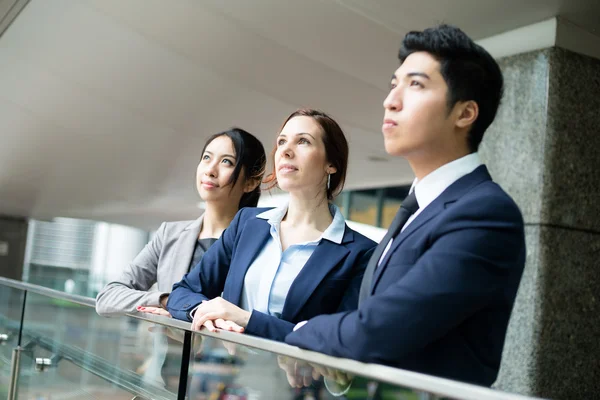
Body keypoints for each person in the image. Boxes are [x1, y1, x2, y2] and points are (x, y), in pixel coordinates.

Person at [285, 25, 526, 387]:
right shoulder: (416, 210)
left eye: (415, 85)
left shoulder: (487, 213)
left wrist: (304, 332)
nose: (390, 100)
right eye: (393, 84)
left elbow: (380, 330)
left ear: (465, 114)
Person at [166, 108, 376, 342]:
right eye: (282, 141)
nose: (285, 150)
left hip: (293, 377)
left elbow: (341, 340)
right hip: (229, 369)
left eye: (303, 141)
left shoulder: (361, 252)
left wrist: (247, 320)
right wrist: (206, 314)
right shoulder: (248, 223)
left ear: (331, 164)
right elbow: (184, 292)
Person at [95, 128, 266, 316]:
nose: (210, 170)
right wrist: (166, 301)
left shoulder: (260, 244)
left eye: (227, 162)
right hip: (170, 345)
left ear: (250, 182)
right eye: (207, 158)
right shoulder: (170, 234)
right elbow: (107, 297)